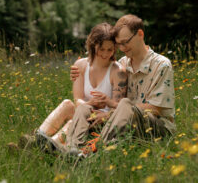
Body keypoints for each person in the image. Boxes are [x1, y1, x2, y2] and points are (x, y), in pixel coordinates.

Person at [67, 14, 175, 155]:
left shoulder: (161, 65)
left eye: (125, 42)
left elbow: (156, 108)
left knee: (125, 103)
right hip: (124, 123)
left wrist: (110, 115)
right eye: (119, 44)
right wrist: (77, 71)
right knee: (85, 109)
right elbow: (97, 64)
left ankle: (94, 150)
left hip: (157, 127)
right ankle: (72, 149)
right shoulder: (122, 64)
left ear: (140, 34)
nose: (122, 48)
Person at [15, 23, 127, 152]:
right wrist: (89, 104)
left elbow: (119, 108)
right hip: (83, 112)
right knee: (67, 104)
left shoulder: (118, 71)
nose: (105, 54)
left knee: (73, 121)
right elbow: (77, 99)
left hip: (100, 120)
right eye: (101, 49)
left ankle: (47, 148)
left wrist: (106, 105)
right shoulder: (81, 65)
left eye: (110, 49)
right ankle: (36, 138)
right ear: (93, 45)